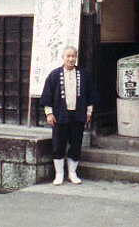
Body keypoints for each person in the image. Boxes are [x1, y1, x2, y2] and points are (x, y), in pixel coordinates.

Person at [40, 46, 97, 185]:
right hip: (60, 115)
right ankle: (59, 174)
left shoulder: (84, 74)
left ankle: (72, 173)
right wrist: (49, 113)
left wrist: (88, 111)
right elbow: (47, 95)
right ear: (63, 57)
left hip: (78, 115)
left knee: (76, 144)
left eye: (73, 56)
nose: (71, 59)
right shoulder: (54, 75)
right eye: (68, 56)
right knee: (58, 145)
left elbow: (90, 95)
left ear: (76, 57)